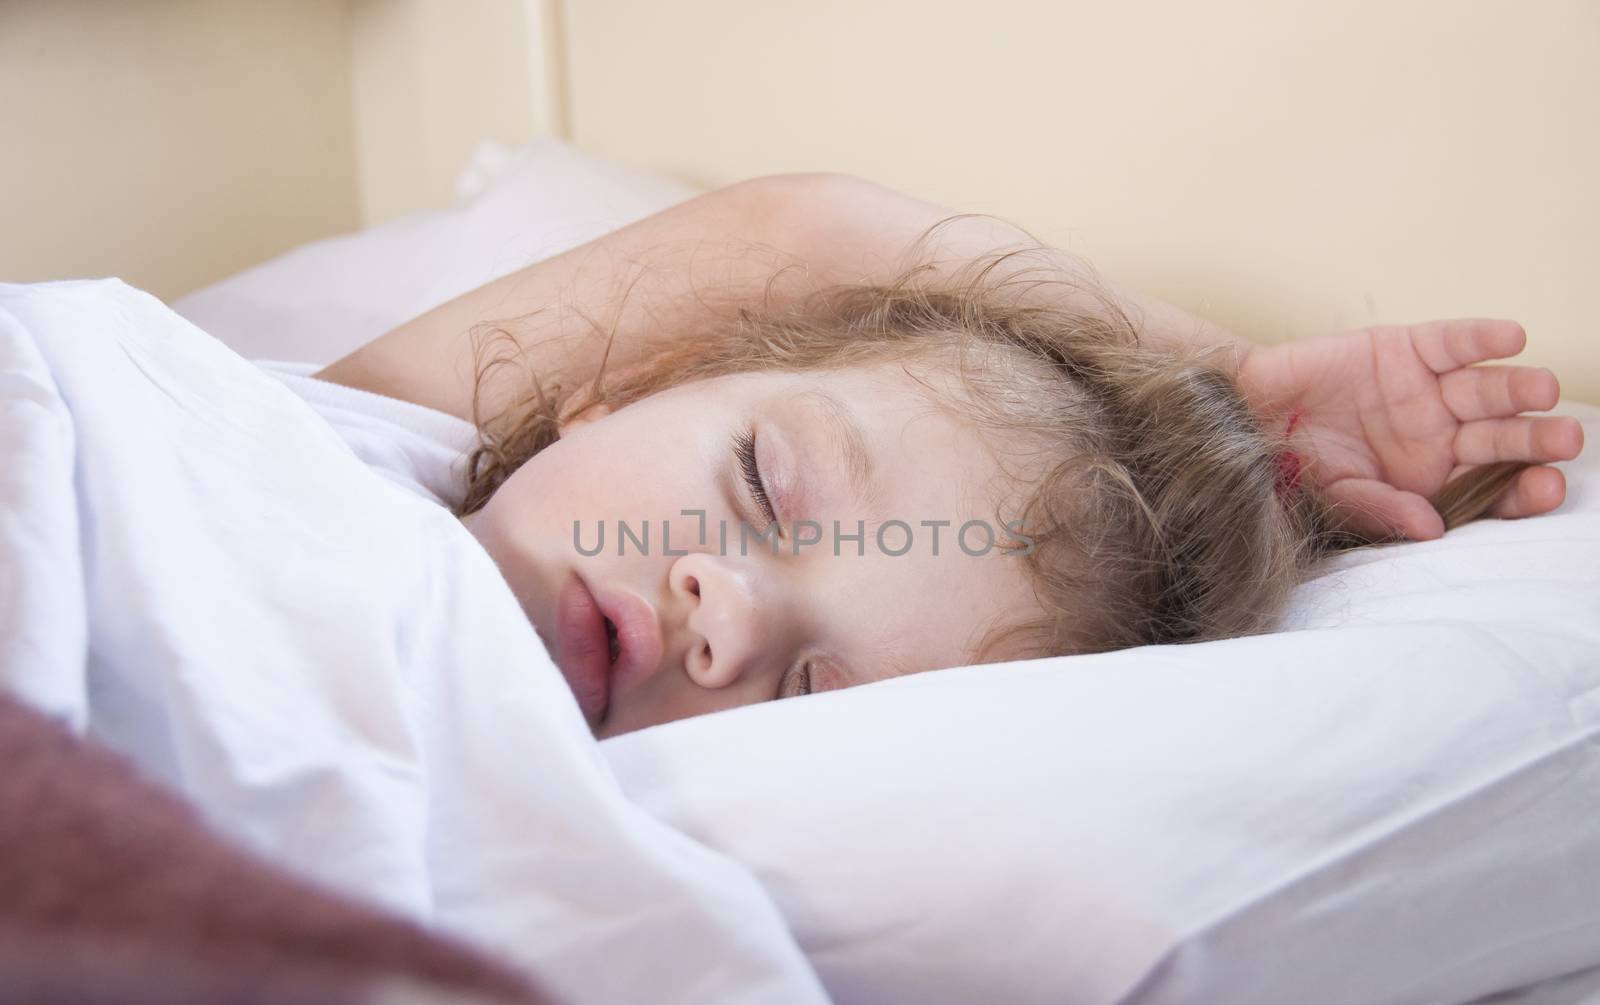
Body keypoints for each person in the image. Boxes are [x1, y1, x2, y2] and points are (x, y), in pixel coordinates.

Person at [316, 173, 1584, 738]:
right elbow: (802, 228)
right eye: (762, 482)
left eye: (809, 696)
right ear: (620, 390)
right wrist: (1232, 390)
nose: (727, 612)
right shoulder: (342, 433)